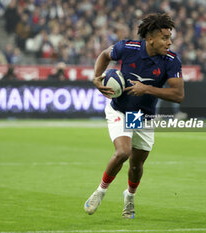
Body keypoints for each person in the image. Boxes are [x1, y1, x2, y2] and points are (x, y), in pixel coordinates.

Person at [84, 13, 184, 219]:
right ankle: (100, 192)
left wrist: (146, 89)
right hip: (120, 109)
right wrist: (96, 78)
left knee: (137, 165)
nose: (169, 42)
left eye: (170, 37)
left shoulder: (171, 61)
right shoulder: (127, 48)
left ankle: (129, 196)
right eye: (165, 37)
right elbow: (104, 55)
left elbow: (178, 95)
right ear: (150, 39)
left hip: (143, 116)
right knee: (123, 152)